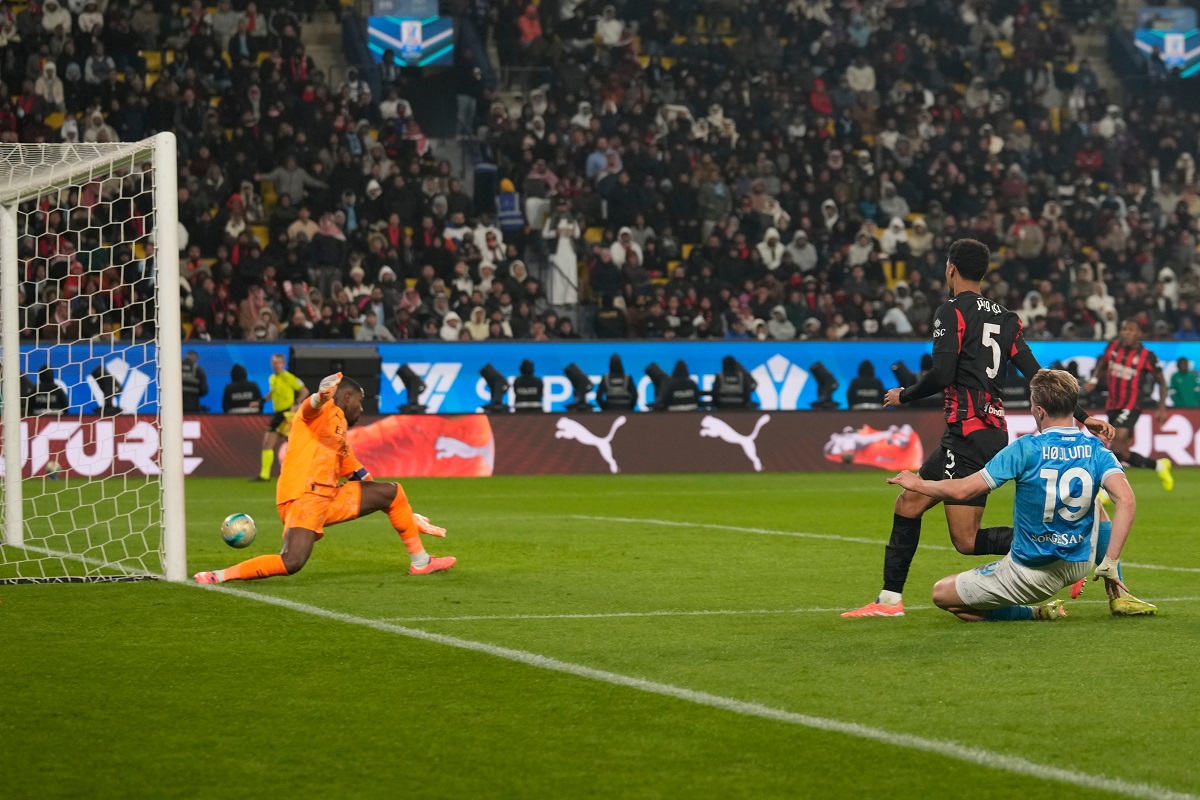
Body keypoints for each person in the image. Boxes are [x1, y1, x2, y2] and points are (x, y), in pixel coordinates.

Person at [843, 239, 1114, 618]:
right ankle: (889, 600)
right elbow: (1037, 373)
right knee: (908, 503)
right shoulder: (1006, 317)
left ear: (951, 268)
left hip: (968, 433)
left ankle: (1055, 548)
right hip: (984, 430)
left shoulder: (951, 311)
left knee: (966, 541)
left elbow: (942, 373)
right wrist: (1084, 417)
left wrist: (905, 395)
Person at [887, 369, 1156, 620]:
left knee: (942, 594)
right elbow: (1127, 501)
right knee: (1093, 500)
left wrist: (918, 483)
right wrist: (1110, 561)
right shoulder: (1097, 450)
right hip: (1079, 562)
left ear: (1039, 410)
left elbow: (963, 488)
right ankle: (1117, 593)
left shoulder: (1026, 448)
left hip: (1033, 574)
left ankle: (1035, 612)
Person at [195, 374, 454, 584]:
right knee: (292, 562)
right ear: (347, 396)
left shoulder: (338, 436)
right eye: (360, 403)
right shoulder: (320, 412)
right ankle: (218, 576)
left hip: (328, 497)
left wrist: (406, 514)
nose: (362, 410)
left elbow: (364, 479)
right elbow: (308, 409)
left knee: (392, 492)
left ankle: (421, 562)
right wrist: (319, 397)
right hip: (303, 498)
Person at [1082, 320, 1173, 490]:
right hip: (1112, 405)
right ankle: (1159, 466)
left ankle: (1102, 489)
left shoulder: (1147, 356)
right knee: (1122, 453)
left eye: (1132, 330)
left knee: (1116, 436)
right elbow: (1102, 364)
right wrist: (1094, 380)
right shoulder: (1113, 348)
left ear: (1139, 334)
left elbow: (1161, 381)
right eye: (1124, 329)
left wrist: (1161, 407)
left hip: (1132, 405)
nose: (1127, 333)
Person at [252, 353, 309, 482]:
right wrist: (260, 401)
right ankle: (265, 475)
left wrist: (296, 404)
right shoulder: (272, 378)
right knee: (272, 443)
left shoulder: (289, 377)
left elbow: (304, 391)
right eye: (273, 362)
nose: (275, 365)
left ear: (283, 364)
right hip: (278, 414)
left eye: (278, 362)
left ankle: (300, 473)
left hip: (287, 414)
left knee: (288, 445)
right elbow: (273, 393)